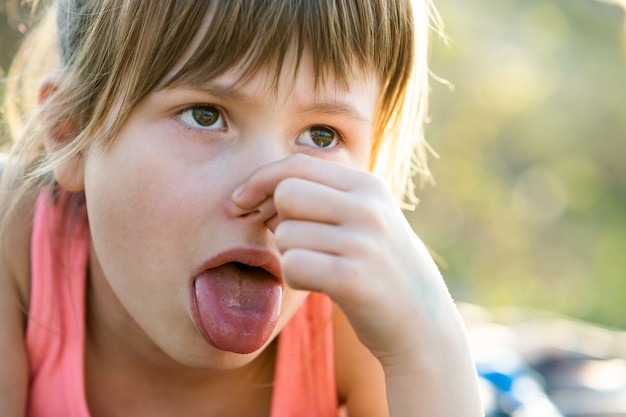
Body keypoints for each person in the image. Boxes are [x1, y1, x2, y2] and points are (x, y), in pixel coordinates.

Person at [0, 0, 483, 416]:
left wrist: (430, 348)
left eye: (321, 136)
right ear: (69, 130)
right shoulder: (14, 236)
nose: (268, 193)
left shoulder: (358, 320)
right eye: (205, 115)